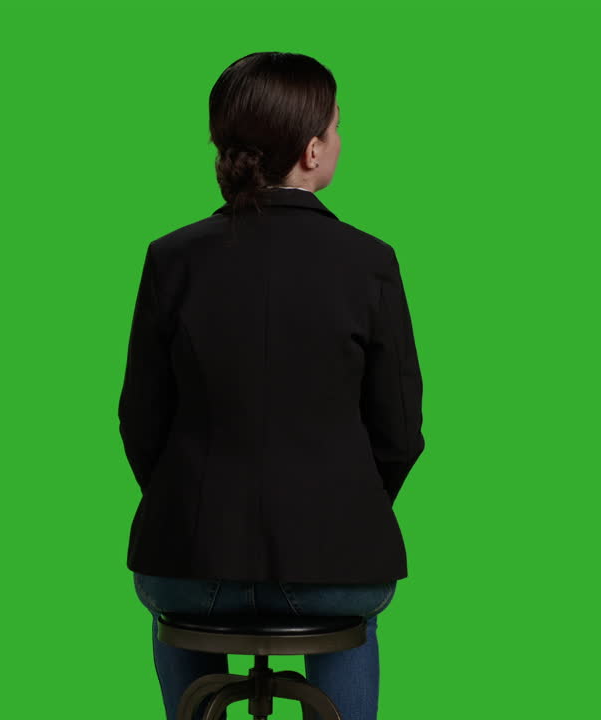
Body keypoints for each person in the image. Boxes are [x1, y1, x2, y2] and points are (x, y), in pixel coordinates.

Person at [118, 51, 424, 720]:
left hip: (189, 563)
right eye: (338, 127)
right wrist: (349, 507)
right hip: (336, 566)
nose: (341, 141)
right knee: (351, 616)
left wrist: (189, 504)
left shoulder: (171, 258)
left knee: (174, 601)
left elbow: (140, 421)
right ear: (312, 150)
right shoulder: (369, 263)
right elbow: (400, 432)